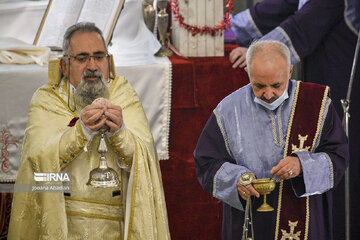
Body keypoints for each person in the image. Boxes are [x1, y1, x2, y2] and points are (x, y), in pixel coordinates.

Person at [8, 22, 170, 239]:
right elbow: (36, 164)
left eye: (99, 56)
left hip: (116, 225)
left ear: (109, 61)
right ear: (64, 66)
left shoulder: (123, 94)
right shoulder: (47, 99)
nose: (92, 66)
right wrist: (80, 132)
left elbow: (145, 156)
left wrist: (120, 133)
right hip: (63, 222)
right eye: (82, 58)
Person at [228, 1, 360, 238]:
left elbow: (302, 27)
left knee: (340, 168)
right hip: (320, 83)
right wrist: (226, 28)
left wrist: (257, 56)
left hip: (342, 89)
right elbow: (279, 7)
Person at [194, 40, 349, 240]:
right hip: (250, 218)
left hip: (305, 217)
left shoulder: (316, 104)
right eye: (258, 86)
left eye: (276, 85)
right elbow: (206, 162)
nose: (268, 94)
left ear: (290, 71)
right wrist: (236, 180)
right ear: (248, 73)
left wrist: (302, 164)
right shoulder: (228, 109)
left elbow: (338, 156)